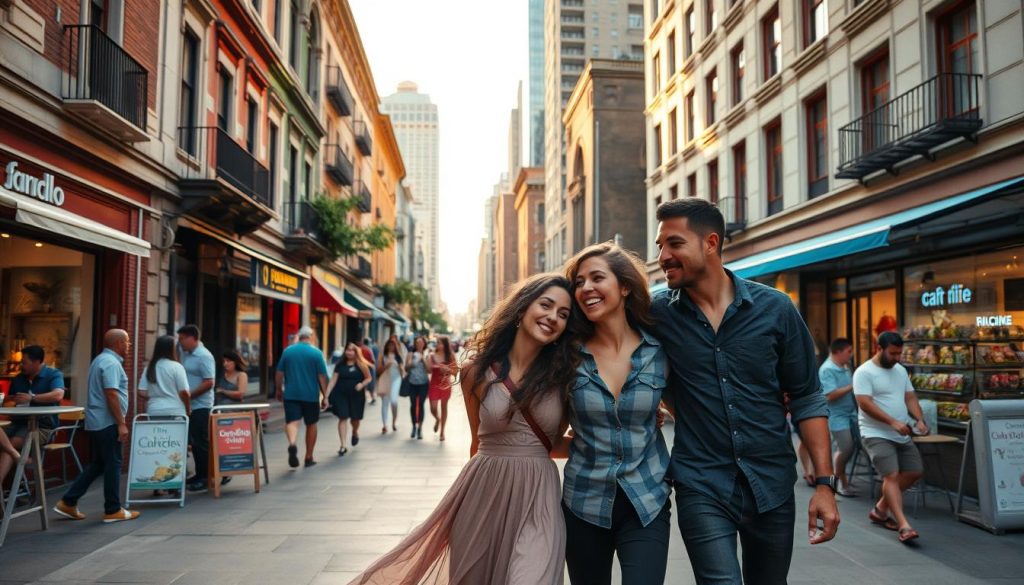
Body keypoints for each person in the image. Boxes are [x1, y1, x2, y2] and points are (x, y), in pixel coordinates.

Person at [651, 198, 839, 585]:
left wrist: (824, 485)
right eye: (660, 246)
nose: (663, 256)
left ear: (711, 243)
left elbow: (806, 396)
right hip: (700, 481)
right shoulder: (657, 315)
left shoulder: (777, 309)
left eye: (674, 244)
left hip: (770, 482)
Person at [348, 273, 577, 584]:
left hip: (539, 499)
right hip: (482, 493)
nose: (553, 317)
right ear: (522, 310)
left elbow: (553, 443)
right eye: (546, 305)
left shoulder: (566, 376)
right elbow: (477, 442)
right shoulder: (475, 371)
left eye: (563, 314)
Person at [560, 242, 672, 584]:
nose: (586, 289)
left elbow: (700, 400)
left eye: (597, 278)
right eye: (579, 282)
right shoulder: (566, 355)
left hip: (647, 501)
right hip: (584, 503)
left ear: (624, 286)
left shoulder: (660, 351)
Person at [53, 329, 139, 523]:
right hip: (107, 422)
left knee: (100, 463)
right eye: (127, 342)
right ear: (118, 343)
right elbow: (111, 394)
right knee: (114, 463)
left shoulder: (100, 360)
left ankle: (68, 501)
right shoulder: (110, 363)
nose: (129, 346)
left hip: (98, 421)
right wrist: (121, 423)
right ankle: (112, 509)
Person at [854, 331, 926, 543]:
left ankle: (880, 509)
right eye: (893, 353)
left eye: (899, 354)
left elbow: (910, 397)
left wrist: (919, 419)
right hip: (875, 433)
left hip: (901, 432)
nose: (897, 358)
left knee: (914, 471)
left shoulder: (901, 371)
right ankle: (903, 525)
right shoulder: (864, 372)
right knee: (892, 476)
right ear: (879, 349)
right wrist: (892, 422)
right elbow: (865, 404)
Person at [0, 345, 65, 484]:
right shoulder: (18, 379)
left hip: (41, 426)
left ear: (37, 362)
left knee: (10, 444)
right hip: (17, 423)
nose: (21, 365)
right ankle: (18, 458)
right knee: (7, 443)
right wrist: (7, 401)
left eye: (24, 362)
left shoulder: (53, 374)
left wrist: (33, 398)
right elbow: (10, 401)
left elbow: (58, 395)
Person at [276, 326, 328, 468]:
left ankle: (292, 443)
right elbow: (322, 376)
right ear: (311, 336)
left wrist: (278, 390)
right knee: (311, 424)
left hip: (291, 394)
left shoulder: (288, 351)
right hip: (310, 395)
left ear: (299, 336)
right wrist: (325, 396)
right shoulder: (317, 353)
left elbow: (279, 373)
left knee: (292, 421)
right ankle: (308, 456)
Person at [177, 324, 216, 493]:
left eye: (182, 339)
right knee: (193, 441)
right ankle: (199, 473)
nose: (181, 343)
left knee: (201, 442)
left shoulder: (204, 356)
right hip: (190, 405)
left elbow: (209, 381)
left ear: (192, 338)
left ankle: (205, 477)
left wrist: (190, 395)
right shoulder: (187, 354)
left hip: (201, 405)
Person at [820, 337, 857, 496]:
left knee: (850, 448)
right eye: (849, 352)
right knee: (845, 447)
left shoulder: (845, 366)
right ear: (838, 352)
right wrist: (853, 386)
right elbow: (830, 395)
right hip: (836, 416)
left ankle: (842, 481)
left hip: (851, 414)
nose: (851, 355)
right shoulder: (827, 369)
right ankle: (838, 481)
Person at [327, 342, 372, 455]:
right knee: (343, 417)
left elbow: (368, 378)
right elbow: (333, 380)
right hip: (340, 394)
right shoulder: (340, 365)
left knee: (355, 419)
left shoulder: (361, 364)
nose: (349, 352)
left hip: (356, 395)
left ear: (356, 352)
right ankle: (343, 445)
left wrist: (362, 384)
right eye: (347, 350)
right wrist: (326, 396)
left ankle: (355, 432)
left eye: (352, 350)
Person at [138, 335, 191, 418]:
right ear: (172, 349)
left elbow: (141, 391)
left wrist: (156, 394)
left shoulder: (149, 367)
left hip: (154, 409)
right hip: (175, 410)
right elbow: (184, 392)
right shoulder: (177, 367)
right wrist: (188, 409)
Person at [426, 336, 457, 441]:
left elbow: (456, 372)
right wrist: (426, 360)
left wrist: (447, 369)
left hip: (445, 385)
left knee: (444, 408)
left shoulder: (450, 356)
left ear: (445, 345)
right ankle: (437, 419)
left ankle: (442, 432)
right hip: (434, 384)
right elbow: (429, 370)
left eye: (440, 343)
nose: (438, 345)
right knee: (433, 408)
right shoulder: (432, 355)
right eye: (437, 343)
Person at [376, 338, 404, 434]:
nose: (391, 347)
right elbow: (378, 370)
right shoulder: (382, 356)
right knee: (385, 403)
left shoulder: (398, 357)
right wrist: (386, 366)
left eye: (393, 345)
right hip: (385, 380)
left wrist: (401, 369)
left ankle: (394, 422)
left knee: (394, 401)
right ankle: (384, 425)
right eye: (389, 345)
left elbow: (402, 371)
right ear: (387, 346)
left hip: (396, 379)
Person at [405, 336, 430, 439]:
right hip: (412, 383)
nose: (419, 344)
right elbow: (406, 368)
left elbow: (429, 370)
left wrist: (423, 359)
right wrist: (414, 361)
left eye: (421, 342)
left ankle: (420, 428)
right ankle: (413, 426)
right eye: (417, 343)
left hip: (423, 383)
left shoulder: (427, 354)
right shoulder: (410, 354)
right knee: (413, 405)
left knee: (421, 405)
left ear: (424, 344)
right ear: (415, 344)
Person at [359, 337, 378, 405]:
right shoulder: (369, 349)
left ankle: (367, 398)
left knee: (365, 384)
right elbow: (373, 360)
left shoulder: (362, 349)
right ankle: (372, 398)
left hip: (364, 368)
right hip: (370, 368)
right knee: (370, 385)